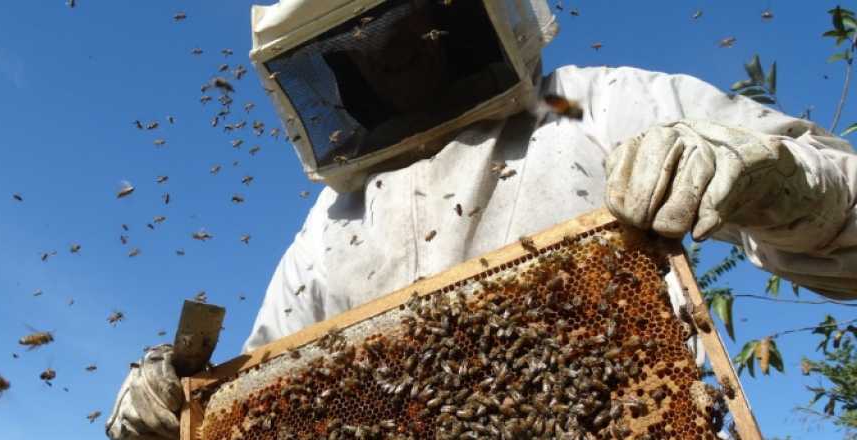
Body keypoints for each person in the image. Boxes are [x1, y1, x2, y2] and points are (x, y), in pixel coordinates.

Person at [106, 0, 857, 438]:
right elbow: (259, 402)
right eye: (360, 55)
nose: (392, 64)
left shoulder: (595, 107)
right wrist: (171, 417)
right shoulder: (334, 226)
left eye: (408, 32)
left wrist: (781, 181)